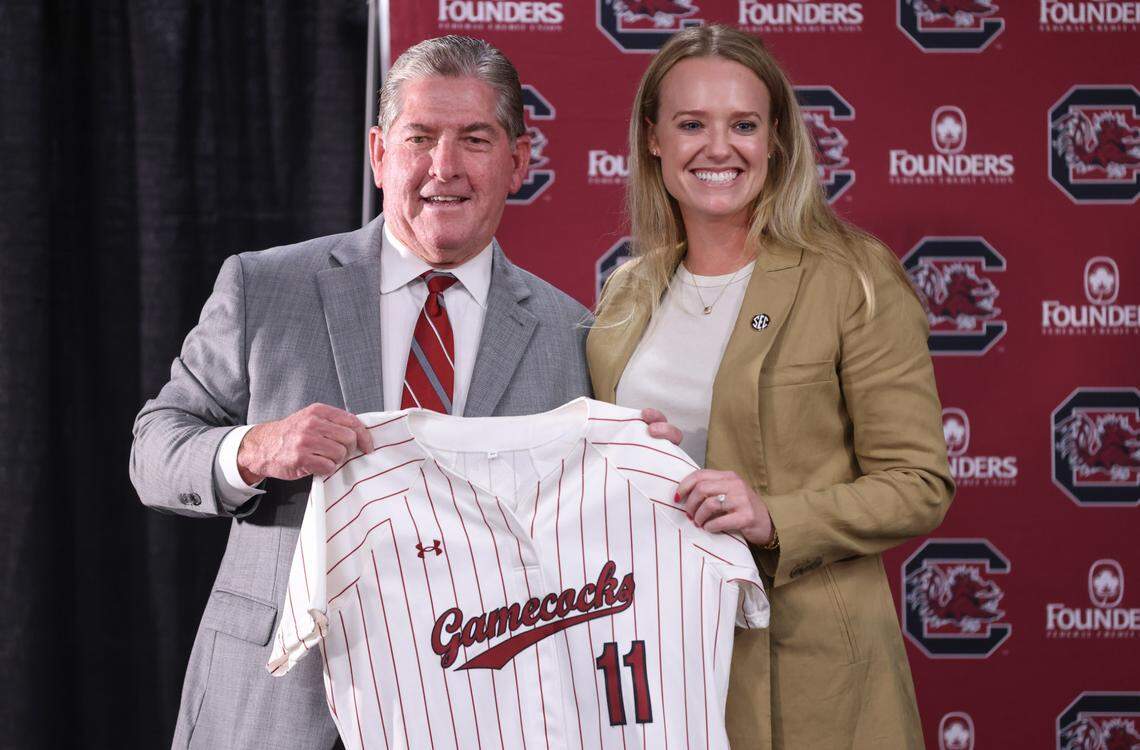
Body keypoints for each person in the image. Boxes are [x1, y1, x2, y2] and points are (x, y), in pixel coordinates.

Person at [130, 35, 678, 750]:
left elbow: (587, 535)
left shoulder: (571, 331)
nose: (444, 167)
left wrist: (640, 474)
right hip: (274, 708)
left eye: (475, 140)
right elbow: (155, 448)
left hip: (480, 707)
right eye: (421, 137)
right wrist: (253, 448)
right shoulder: (265, 288)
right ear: (380, 153)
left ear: (518, 162)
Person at [588, 25, 955, 749]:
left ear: (777, 139)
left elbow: (919, 483)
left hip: (811, 671)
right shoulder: (626, 292)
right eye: (691, 123)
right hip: (655, 659)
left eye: (743, 125)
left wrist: (773, 516)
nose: (717, 148)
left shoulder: (851, 277)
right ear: (653, 139)